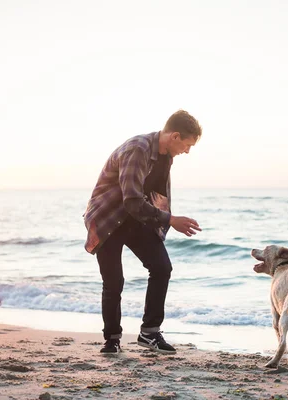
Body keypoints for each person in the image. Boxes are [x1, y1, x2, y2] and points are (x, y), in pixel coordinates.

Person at [83, 110, 202, 354]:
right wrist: (171, 220)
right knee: (114, 281)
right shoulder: (138, 149)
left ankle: (149, 333)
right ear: (175, 136)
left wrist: (163, 224)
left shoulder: (165, 156)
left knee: (161, 268)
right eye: (187, 145)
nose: (187, 151)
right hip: (108, 219)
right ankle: (112, 339)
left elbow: (156, 197)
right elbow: (133, 201)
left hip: (137, 219)